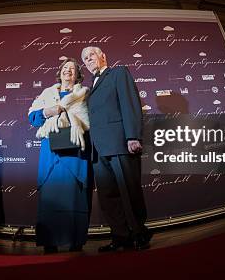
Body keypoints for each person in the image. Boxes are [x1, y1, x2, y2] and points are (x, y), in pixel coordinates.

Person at [81, 46, 151, 251]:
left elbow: (130, 104)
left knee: (129, 191)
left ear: (103, 56)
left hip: (120, 143)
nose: (88, 60)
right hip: (98, 149)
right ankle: (121, 236)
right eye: (85, 59)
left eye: (91, 55)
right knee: (108, 196)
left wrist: (132, 136)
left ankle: (139, 233)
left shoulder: (118, 73)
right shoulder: (89, 87)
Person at [27, 58, 92, 253]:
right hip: (51, 152)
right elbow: (32, 117)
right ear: (60, 72)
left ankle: (75, 242)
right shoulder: (47, 93)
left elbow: (91, 119)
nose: (68, 71)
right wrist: (49, 111)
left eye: (72, 69)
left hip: (76, 150)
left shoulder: (85, 94)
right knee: (51, 196)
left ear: (78, 75)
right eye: (65, 68)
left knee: (75, 197)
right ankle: (49, 242)